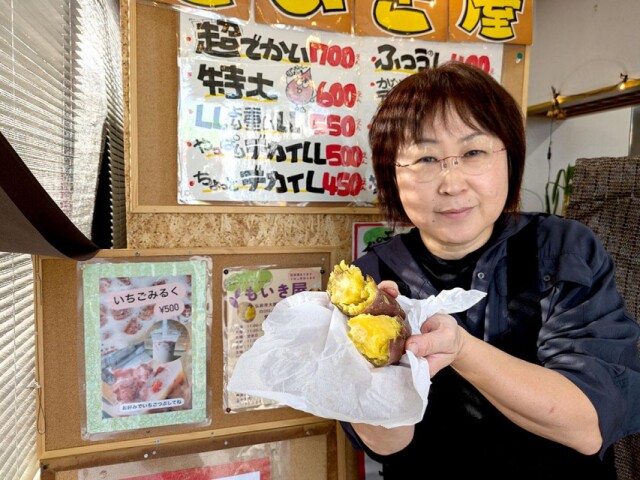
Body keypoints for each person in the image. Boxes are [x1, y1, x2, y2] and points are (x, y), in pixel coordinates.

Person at [341, 61, 640, 479]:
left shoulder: (562, 249)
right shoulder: (372, 277)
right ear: (393, 175)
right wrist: (382, 363)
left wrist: (460, 349)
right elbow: (385, 445)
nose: (452, 183)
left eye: (473, 152)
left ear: (509, 157)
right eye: (426, 158)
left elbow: (588, 424)